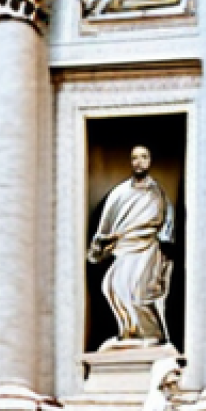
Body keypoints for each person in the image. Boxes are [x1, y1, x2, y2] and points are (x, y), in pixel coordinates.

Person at [88, 145, 175, 347]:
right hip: (125, 248)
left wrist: (165, 242)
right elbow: (106, 224)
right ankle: (129, 332)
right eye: (135, 157)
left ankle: (153, 335)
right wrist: (100, 245)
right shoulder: (119, 193)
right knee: (112, 286)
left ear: (150, 161)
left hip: (148, 248)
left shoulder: (157, 194)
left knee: (139, 293)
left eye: (144, 157)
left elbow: (167, 224)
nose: (139, 162)